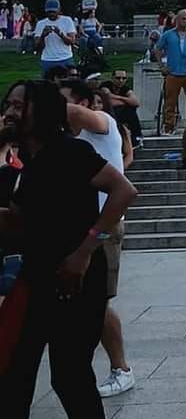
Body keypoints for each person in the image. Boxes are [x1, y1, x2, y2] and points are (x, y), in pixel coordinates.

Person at [0, 79, 138, 419]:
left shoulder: (70, 152)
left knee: (67, 374)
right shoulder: (28, 165)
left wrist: (83, 252)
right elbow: (24, 223)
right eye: (7, 104)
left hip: (76, 278)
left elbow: (123, 192)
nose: (9, 111)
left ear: (41, 111)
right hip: (38, 276)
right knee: (13, 375)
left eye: (19, 105)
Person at [58, 78, 133, 399]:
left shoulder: (103, 125)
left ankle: (122, 369)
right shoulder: (66, 142)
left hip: (104, 226)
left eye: (62, 101)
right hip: (77, 226)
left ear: (86, 103)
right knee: (86, 301)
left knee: (99, 301)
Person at [154, 8, 186, 136]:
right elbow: (157, 49)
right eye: (183, 18)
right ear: (177, 20)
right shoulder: (168, 35)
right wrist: (162, 66)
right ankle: (169, 127)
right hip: (173, 73)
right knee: (170, 102)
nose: (185, 21)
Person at [33, 0, 77, 77]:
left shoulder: (67, 20)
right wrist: (43, 35)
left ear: (59, 10)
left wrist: (61, 34)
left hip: (65, 58)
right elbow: (38, 47)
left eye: (54, 11)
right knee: (48, 86)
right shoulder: (40, 24)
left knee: (69, 84)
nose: (51, 14)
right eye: (49, 12)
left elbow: (72, 41)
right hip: (48, 60)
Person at [103, 68, 142, 149]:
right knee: (128, 108)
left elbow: (136, 102)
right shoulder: (106, 86)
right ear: (112, 78)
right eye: (118, 78)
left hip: (122, 113)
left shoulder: (125, 89)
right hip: (108, 113)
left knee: (131, 110)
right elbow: (109, 100)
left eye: (124, 78)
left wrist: (119, 99)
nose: (121, 80)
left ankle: (136, 138)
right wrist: (127, 101)